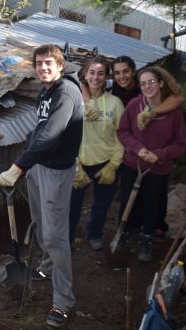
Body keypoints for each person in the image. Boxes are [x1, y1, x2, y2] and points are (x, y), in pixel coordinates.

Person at [0, 44, 83, 329]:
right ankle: (46, 268)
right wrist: (22, 161)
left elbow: (51, 135)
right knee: (39, 223)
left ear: (60, 65)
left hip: (57, 172)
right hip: (39, 167)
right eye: (39, 63)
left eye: (49, 63)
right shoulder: (45, 91)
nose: (43, 68)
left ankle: (63, 302)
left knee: (56, 238)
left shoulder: (66, 93)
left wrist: (19, 166)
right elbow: (37, 131)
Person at [109, 55, 185, 240]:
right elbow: (123, 131)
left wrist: (158, 155)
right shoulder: (135, 104)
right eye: (143, 84)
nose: (147, 86)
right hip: (132, 164)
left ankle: (147, 236)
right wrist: (138, 149)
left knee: (153, 202)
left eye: (151, 82)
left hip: (158, 168)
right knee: (128, 199)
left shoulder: (174, 113)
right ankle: (125, 232)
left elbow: (180, 144)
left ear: (160, 84)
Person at [68, 56, 124, 251]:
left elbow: (121, 136)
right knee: (72, 206)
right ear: (85, 74)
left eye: (101, 73)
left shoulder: (116, 103)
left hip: (105, 161)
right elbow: (66, 136)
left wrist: (113, 164)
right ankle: (67, 238)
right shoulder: (73, 100)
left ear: (106, 76)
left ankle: (94, 233)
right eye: (92, 72)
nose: (96, 77)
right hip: (79, 162)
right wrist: (75, 166)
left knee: (101, 205)